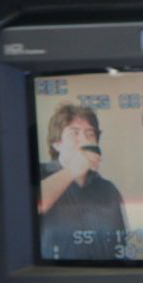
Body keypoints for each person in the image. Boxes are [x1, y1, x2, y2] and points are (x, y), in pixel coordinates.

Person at [39, 103, 126, 260]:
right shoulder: (40, 175)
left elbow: (120, 246)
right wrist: (72, 170)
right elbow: (24, 208)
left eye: (90, 134)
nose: (84, 140)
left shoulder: (108, 190)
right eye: (74, 133)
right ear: (56, 143)